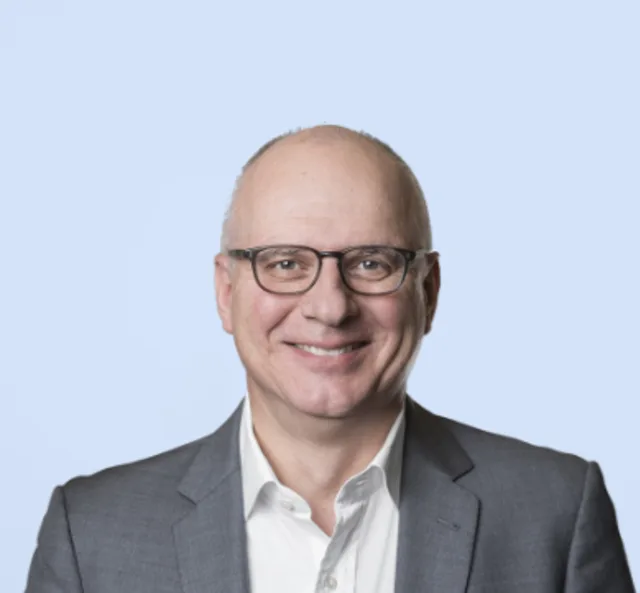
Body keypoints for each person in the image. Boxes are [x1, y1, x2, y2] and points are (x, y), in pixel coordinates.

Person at [25, 125, 635, 593]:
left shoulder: (555, 516)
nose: (329, 306)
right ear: (226, 292)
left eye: (371, 263)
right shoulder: (92, 536)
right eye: (286, 263)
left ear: (427, 291)